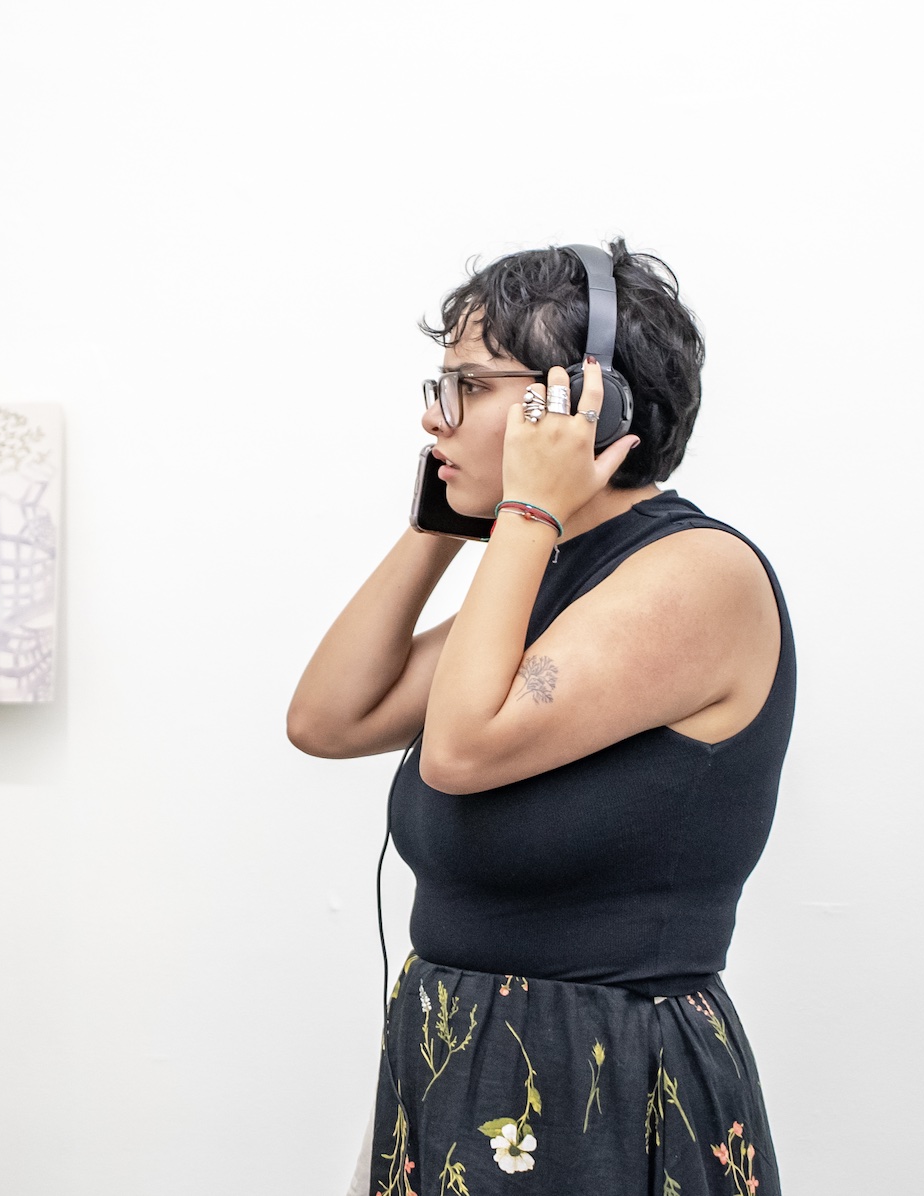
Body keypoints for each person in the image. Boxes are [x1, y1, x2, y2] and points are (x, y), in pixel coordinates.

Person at [288, 241, 791, 1195]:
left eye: (467, 386)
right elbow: (328, 719)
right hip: (454, 1059)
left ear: (583, 403)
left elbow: (463, 750)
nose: (433, 417)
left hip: (597, 1079)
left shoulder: (699, 576)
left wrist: (523, 510)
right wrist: (442, 525)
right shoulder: (548, 574)